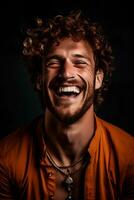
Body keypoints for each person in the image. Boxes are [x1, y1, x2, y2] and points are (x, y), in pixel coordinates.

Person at [0, 10, 134, 200]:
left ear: (98, 78)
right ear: (39, 79)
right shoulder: (6, 158)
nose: (66, 73)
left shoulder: (129, 158)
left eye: (79, 63)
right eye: (54, 63)